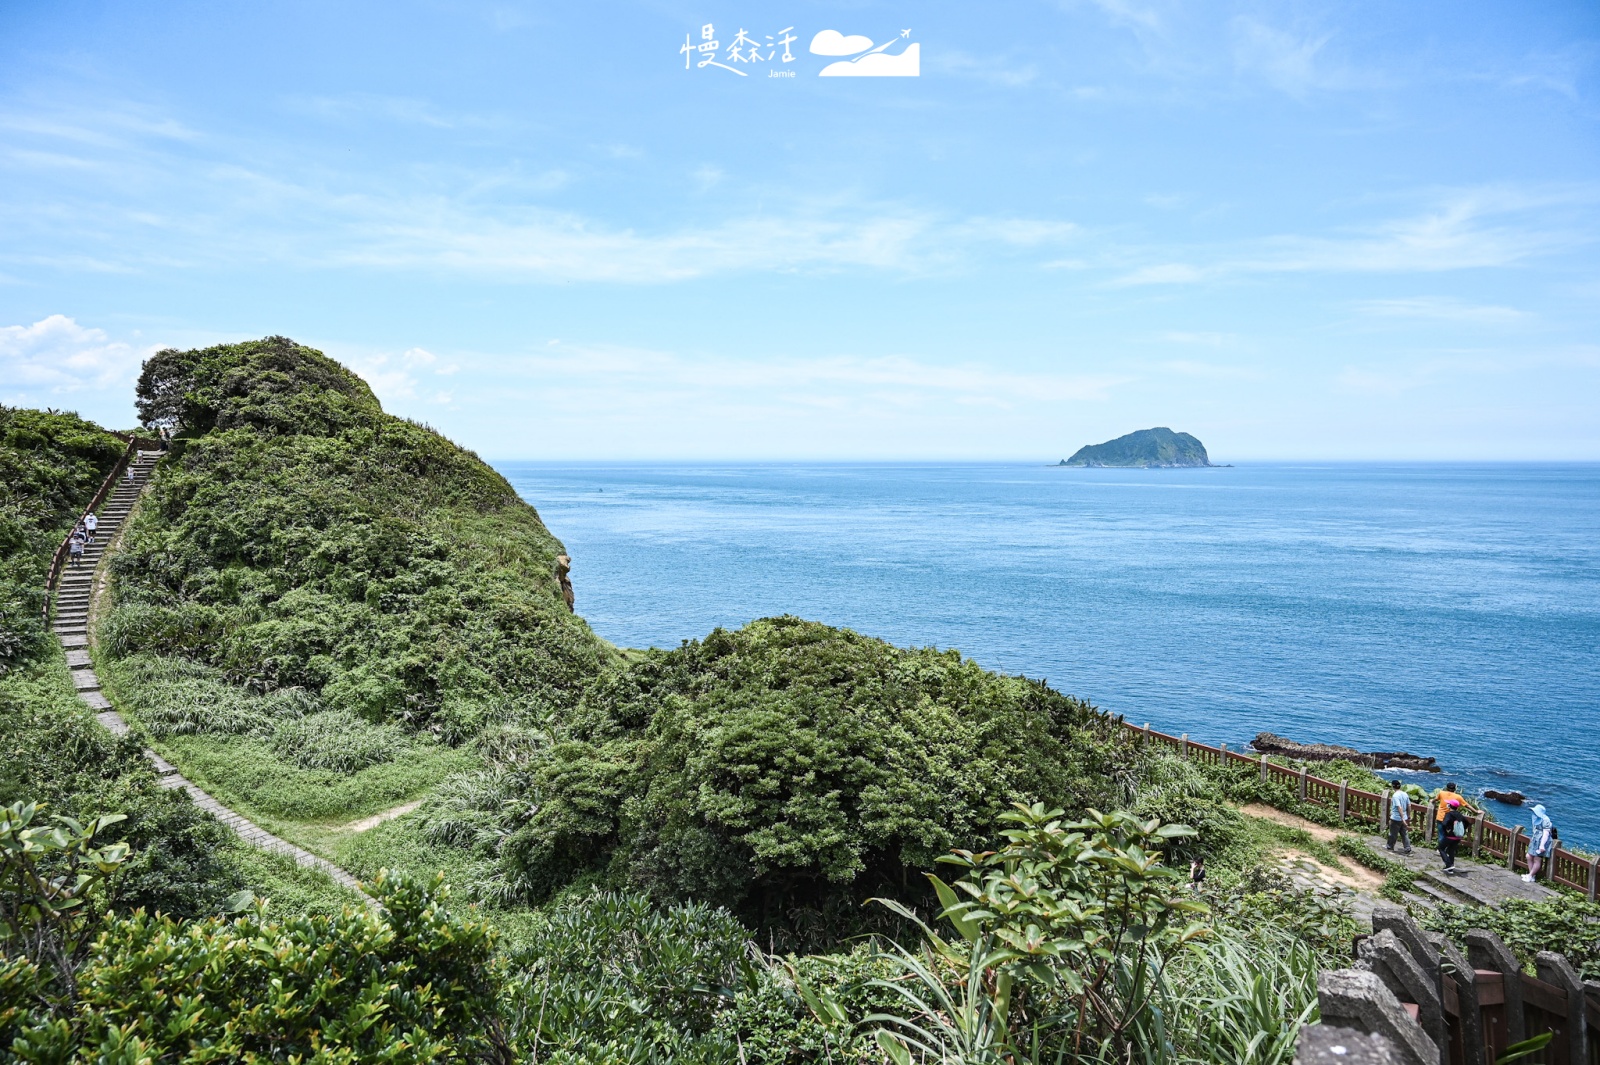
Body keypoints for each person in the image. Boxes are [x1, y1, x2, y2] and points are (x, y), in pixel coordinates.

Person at [1523, 804, 1554, 882]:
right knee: (1529, 856)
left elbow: (1546, 833)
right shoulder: (1535, 817)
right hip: (1535, 839)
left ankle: (1530, 875)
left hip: (1542, 841)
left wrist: (1542, 845)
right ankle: (1531, 875)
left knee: (1537, 859)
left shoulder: (1545, 820)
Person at [1439, 798, 1467, 873]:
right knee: (1451, 850)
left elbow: (1444, 823)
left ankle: (1448, 864)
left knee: (1441, 848)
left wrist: (1447, 830)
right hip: (1457, 837)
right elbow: (1467, 823)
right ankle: (1450, 869)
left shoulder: (1449, 814)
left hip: (1450, 836)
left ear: (1450, 806)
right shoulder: (1460, 815)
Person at [1386, 781, 1412, 854]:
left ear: (1393, 786)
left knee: (1393, 833)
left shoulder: (1395, 795)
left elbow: (1399, 807)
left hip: (1396, 817)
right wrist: (1408, 815)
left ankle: (1390, 846)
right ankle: (1407, 847)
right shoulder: (1405, 794)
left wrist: (1402, 818)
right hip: (1405, 816)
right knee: (1404, 833)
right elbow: (1409, 805)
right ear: (1400, 786)